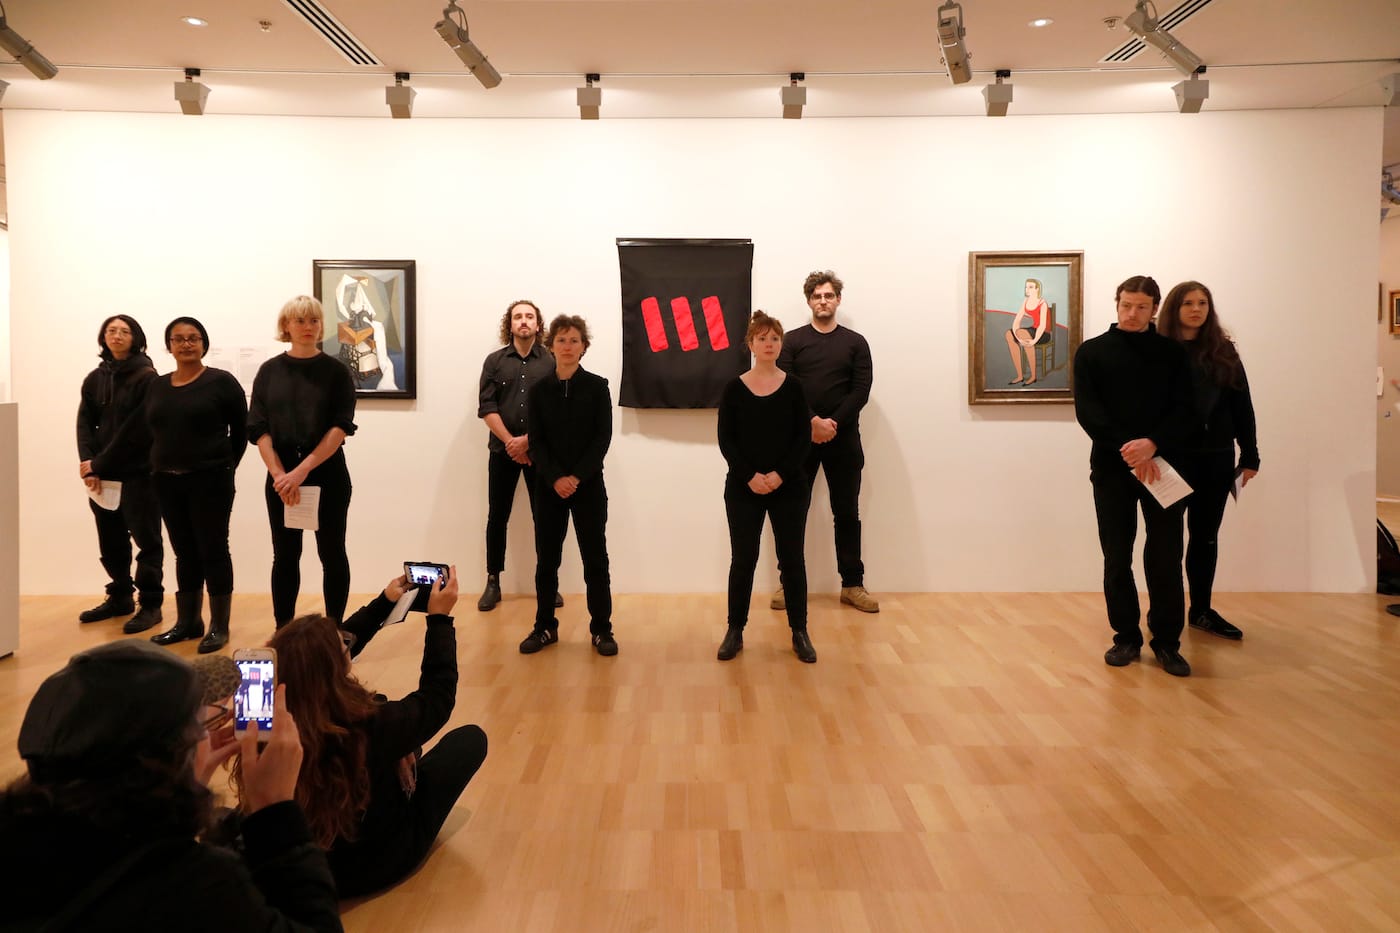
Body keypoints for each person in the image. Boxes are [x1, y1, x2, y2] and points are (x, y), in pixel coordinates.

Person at [2, 640, 341, 932]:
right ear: (166, 759)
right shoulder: (196, 887)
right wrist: (275, 809)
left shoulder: (23, 843)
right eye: (197, 724)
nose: (207, 733)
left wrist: (184, 787)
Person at [256, 566, 489, 898]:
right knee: (469, 740)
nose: (347, 641)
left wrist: (385, 602)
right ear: (337, 666)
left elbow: (319, 656)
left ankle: (402, 755)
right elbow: (437, 698)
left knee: (406, 745)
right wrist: (439, 620)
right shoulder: (370, 724)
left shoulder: (265, 712)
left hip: (308, 871)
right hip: (382, 861)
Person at [1073, 275, 1198, 677]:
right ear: (1116, 304)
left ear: (1155, 309)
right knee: (1117, 554)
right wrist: (1128, 449)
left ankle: (1167, 642)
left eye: (1141, 307)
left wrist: (1153, 444)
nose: (1132, 313)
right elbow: (1089, 413)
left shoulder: (1172, 354)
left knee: (1164, 556)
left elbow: (1185, 409)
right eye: (1126, 305)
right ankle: (1126, 636)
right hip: (1113, 468)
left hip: (1164, 466)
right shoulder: (1092, 352)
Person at [1157, 281, 1260, 640]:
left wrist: (1250, 455)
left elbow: (1241, 405)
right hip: (1168, 460)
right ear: (1174, 308)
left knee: (1205, 538)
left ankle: (1200, 610)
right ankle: (1164, 617)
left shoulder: (1223, 351)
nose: (1196, 309)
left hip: (1215, 458)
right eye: (1187, 303)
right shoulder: (1158, 350)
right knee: (1166, 541)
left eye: (1202, 302)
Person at [773, 270, 879, 613]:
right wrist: (812, 422)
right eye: (817, 296)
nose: (823, 301)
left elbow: (860, 390)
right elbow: (785, 387)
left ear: (838, 300)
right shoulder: (791, 342)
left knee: (847, 512)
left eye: (829, 295)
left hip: (844, 439)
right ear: (809, 301)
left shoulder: (856, 342)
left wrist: (832, 422)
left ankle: (852, 584)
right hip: (799, 441)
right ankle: (788, 583)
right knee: (793, 512)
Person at [248, 296, 358, 628]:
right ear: (286, 326)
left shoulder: (336, 372)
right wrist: (280, 474)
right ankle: (284, 630)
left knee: (332, 554)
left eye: (313, 321)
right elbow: (258, 427)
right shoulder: (269, 372)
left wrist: (300, 471)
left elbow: (340, 428)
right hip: (281, 481)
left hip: (327, 477)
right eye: (300, 321)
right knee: (285, 556)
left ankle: (334, 631)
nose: (308, 327)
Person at [717, 311, 815, 663]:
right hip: (744, 487)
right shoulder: (734, 388)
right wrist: (749, 476)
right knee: (743, 559)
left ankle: (799, 631)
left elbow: (802, 438)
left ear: (780, 343)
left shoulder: (794, 387)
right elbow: (726, 440)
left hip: (789, 486)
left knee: (792, 560)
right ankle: (735, 630)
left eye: (774, 338)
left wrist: (780, 475)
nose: (769, 343)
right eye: (762, 338)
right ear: (751, 344)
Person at [146, 317, 247, 654]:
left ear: (204, 343)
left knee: (213, 549)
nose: (186, 344)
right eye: (178, 339)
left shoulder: (221, 382)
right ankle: (188, 622)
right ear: (169, 346)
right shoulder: (157, 386)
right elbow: (149, 431)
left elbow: (241, 432)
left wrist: (224, 466)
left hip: (211, 480)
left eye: (193, 338)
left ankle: (219, 626)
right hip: (166, 481)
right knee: (184, 552)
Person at [519, 315, 618, 656]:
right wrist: (556, 477)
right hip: (549, 487)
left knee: (596, 560)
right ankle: (545, 626)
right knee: (547, 560)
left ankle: (602, 630)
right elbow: (538, 440)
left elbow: (600, 438)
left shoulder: (597, 387)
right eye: (561, 340)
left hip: (587, 486)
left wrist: (575, 477)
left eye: (574, 340)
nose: (567, 346)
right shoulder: (539, 390)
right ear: (551, 346)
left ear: (584, 347)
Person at [75, 314, 165, 633]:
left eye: (124, 331)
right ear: (103, 337)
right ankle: (121, 596)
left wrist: (99, 464)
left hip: (140, 474)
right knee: (111, 540)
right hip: (102, 475)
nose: (117, 335)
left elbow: (138, 430)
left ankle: (151, 603)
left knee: (147, 540)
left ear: (135, 337)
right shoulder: (94, 378)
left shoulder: (147, 377)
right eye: (111, 331)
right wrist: (88, 463)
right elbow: (84, 424)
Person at [475, 299, 562, 613]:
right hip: (502, 452)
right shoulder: (495, 362)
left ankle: (548, 583)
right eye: (517, 317)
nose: (523, 321)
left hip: (541, 455)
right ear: (509, 324)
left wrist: (529, 442)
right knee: (497, 517)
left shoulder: (551, 362)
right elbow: (487, 408)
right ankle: (493, 581)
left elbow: (557, 411)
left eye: (529, 316)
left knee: (546, 518)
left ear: (538, 325)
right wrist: (513, 442)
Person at [1004, 277, 1051, 386]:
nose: (1027, 289)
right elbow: (1017, 320)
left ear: (1037, 289)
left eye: (1030, 287)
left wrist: (1034, 341)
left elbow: (1042, 326)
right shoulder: (1026, 301)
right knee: (1009, 334)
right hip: (1033, 329)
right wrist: (1016, 335)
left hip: (1044, 333)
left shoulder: (1042, 303)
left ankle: (1033, 376)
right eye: (1026, 287)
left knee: (1023, 333)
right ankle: (1020, 375)